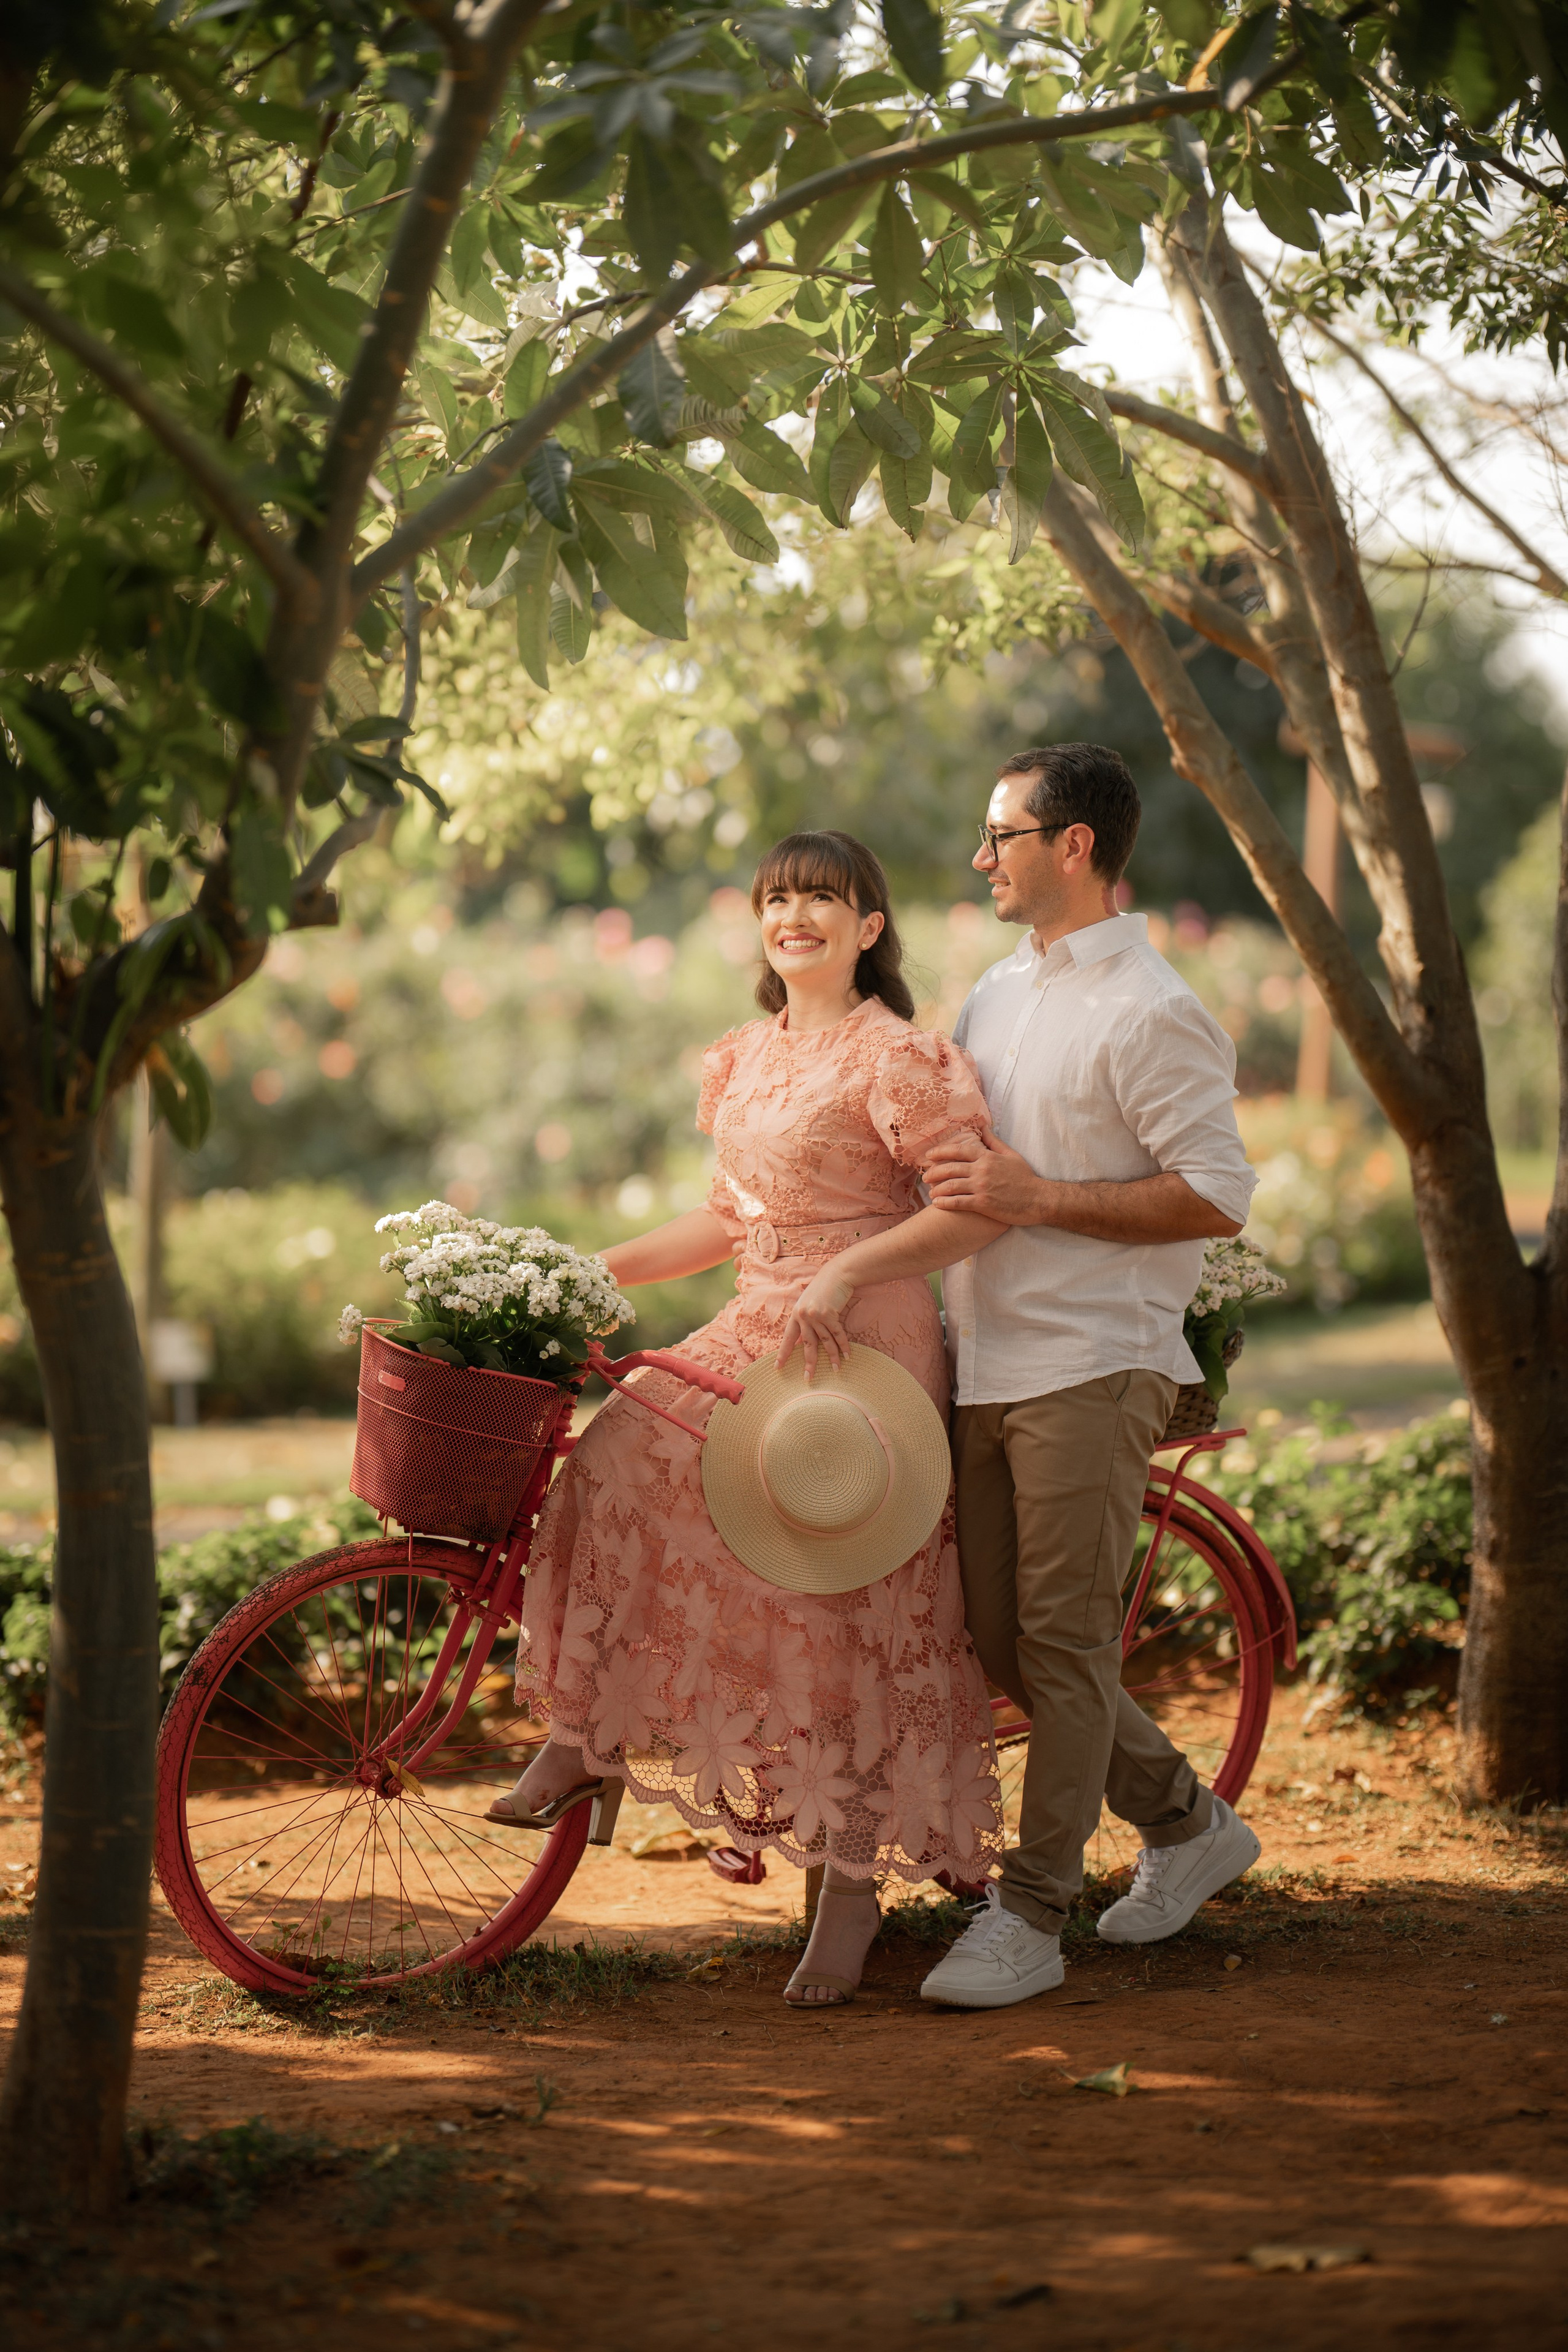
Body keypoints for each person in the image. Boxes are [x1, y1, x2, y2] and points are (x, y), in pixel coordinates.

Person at [781, 745, 1262, 2010]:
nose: (982, 856)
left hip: (1091, 1362)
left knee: (1054, 1643)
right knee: (1005, 1643)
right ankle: (1185, 1823)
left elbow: (1215, 1193)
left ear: (1074, 848)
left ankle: (1032, 1915)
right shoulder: (997, 991)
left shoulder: (1152, 1009)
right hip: (979, 1362)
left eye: (1002, 835)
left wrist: (1041, 1198)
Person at [496, 830, 1009, 2007]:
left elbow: (973, 1213)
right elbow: (730, 1220)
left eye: (824, 899)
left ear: (868, 929)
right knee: (617, 1450)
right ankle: (590, 1737)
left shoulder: (901, 1059)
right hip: (760, 1314)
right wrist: (590, 1273)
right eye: (780, 898)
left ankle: (849, 1886)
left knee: (831, 1593)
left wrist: (847, 1270)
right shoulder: (746, 1057)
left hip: (858, 1339)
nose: (797, 916)